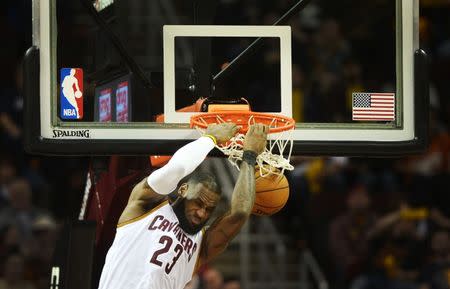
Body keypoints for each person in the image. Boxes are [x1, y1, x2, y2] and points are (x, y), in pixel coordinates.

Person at [98, 122, 268, 289]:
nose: (201, 213)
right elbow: (176, 169)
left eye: (209, 210)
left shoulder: (201, 245)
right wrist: (210, 139)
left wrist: (250, 156)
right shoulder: (146, 205)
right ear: (183, 189)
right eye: (198, 203)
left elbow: (240, 213)